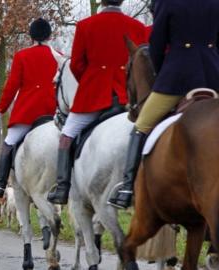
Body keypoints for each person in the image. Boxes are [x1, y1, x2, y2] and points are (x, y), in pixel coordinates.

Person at [108, 0, 219, 209]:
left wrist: (161, 74)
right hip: (212, 76)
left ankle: (127, 188)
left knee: (141, 125)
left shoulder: (167, 2)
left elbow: (156, 45)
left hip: (177, 78)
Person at [47, 0, 147, 204]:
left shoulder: (85, 25)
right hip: (128, 95)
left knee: (67, 134)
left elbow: (76, 65)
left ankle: (63, 187)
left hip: (94, 95)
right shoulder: (138, 26)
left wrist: (92, 80)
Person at [0, 18, 60, 198]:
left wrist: (1, 108)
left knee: (9, 143)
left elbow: (12, 85)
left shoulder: (22, 56)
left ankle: (0, 183)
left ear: (31, 36)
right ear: (49, 36)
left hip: (28, 113)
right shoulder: (59, 55)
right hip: (53, 111)